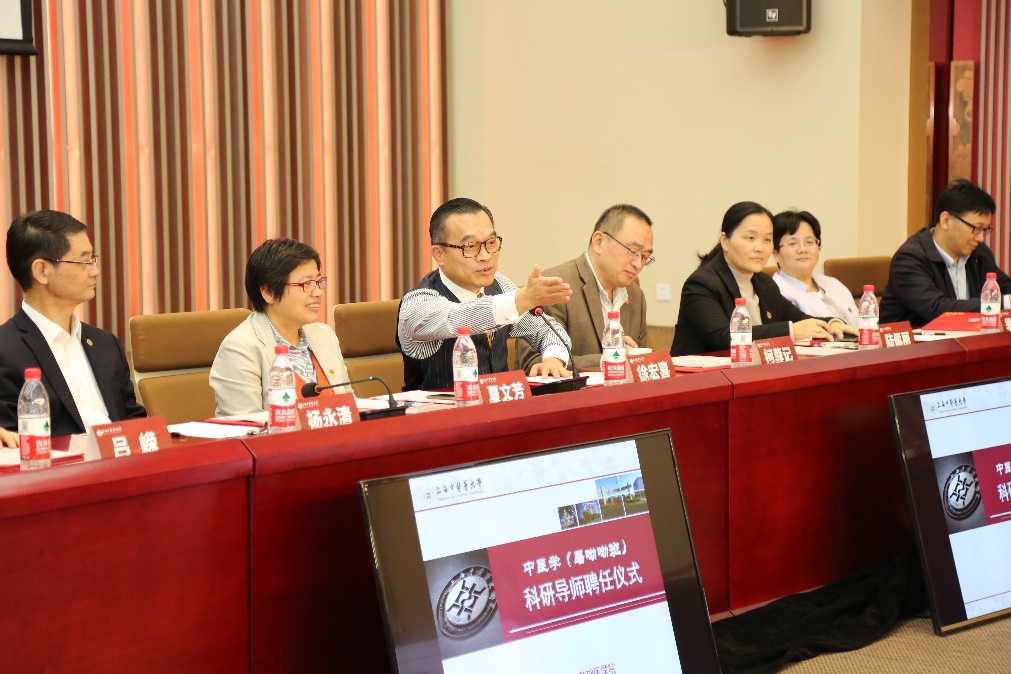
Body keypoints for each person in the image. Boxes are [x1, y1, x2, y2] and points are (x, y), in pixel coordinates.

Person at [0, 210, 145, 445]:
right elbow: (8, 443)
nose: (95, 271)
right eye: (84, 261)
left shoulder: (105, 343)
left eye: (93, 259)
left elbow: (134, 422)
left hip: (121, 462)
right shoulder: (5, 351)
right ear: (42, 271)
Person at [397, 197, 573, 390]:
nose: (486, 255)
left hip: (502, 404)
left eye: (490, 242)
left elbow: (547, 330)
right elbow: (457, 318)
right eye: (470, 246)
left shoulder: (500, 285)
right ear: (439, 254)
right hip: (437, 408)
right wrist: (521, 299)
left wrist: (553, 359)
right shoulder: (417, 304)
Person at [671, 202, 854, 356]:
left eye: (767, 240)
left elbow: (797, 318)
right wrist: (791, 331)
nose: (760, 248)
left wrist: (832, 323)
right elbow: (723, 337)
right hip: (702, 380)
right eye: (750, 238)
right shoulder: (702, 283)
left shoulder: (764, 283)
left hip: (751, 373)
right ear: (725, 241)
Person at [210, 238, 351, 416]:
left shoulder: (324, 335)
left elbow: (351, 408)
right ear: (269, 292)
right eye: (307, 284)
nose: (318, 292)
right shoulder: (240, 348)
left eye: (318, 282)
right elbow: (247, 426)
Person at [517, 204, 652, 373]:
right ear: (599, 242)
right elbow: (534, 362)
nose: (638, 264)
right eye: (632, 251)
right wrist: (605, 361)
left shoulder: (635, 294)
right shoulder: (557, 283)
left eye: (645, 257)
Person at [880, 179, 1011, 326]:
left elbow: (1005, 289)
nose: (981, 238)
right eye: (976, 228)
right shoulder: (909, 259)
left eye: (985, 230)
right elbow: (936, 309)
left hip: (965, 338)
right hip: (914, 340)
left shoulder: (979, 254)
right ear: (946, 220)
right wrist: (1002, 303)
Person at [772, 209, 860, 327]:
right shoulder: (776, 292)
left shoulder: (833, 283)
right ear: (775, 253)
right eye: (793, 243)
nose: (803, 249)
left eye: (809, 242)